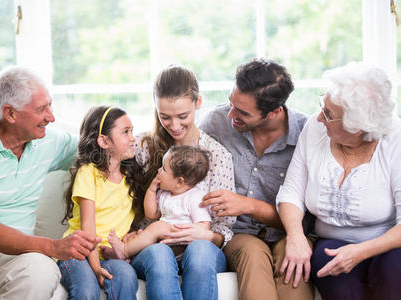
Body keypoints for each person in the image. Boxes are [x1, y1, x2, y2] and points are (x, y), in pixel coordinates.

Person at [0, 66, 100, 300]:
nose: (51, 117)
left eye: (50, 105)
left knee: (41, 272)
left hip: (18, 254)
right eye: (42, 109)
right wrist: (53, 247)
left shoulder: (47, 141)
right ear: (10, 113)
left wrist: (152, 147)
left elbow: (98, 147)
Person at [276, 62, 401, 300]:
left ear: (359, 128)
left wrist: (360, 251)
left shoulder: (396, 139)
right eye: (323, 107)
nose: (320, 119)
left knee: (394, 267)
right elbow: (291, 192)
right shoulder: (315, 127)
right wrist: (296, 236)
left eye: (329, 115)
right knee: (328, 266)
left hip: (390, 245)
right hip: (332, 242)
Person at [198, 58, 314, 300]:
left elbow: (309, 218)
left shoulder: (306, 134)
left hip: (287, 232)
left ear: (274, 111)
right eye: (231, 103)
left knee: (293, 265)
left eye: (243, 112)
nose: (231, 114)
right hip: (237, 234)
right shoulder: (215, 123)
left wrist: (249, 205)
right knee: (252, 254)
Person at [128, 65, 236, 300]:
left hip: (201, 250)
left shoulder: (217, 156)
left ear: (198, 103)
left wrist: (206, 235)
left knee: (199, 252)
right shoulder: (143, 147)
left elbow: (224, 226)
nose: (174, 126)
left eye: (183, 116)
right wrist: (128, 233)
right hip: (153, 246)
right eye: (164, 116)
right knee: (159, 255)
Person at [57, 105, 145, 300]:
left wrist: (132, 235)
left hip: (110, 255)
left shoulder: (131, 176)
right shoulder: (88, 173)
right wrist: (95, 267)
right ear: (104, 141)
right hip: (77, 251)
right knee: (87, 290)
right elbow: (88, 227)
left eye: (132, 131)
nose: (133, 138)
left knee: (126, 276)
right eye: (125, 132)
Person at [109, 145, 212, 260]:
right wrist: (151, 190)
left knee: (157, 227)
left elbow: (204, 226)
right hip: (163, 243)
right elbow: (151, 214)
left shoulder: (195, 197)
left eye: (163, 169)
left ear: (179, 181)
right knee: (141, 235)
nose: (159, 170)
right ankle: (124, 254)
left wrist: (182, 232)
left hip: (182, 243)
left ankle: (124, 251)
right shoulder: (165, 194)